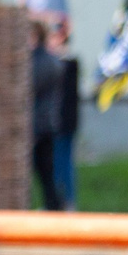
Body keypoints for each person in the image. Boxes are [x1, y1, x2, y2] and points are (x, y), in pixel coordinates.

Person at [28, 18, 67, 212]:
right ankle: (54, 205)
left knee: (42, 172)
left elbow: (30, 90)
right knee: (46, 172)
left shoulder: (38, 62)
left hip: (38, 126)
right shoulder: (49, 60)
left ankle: (54, 206)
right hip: (46, 125)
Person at [48, 20, 81, 208]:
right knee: (54, 165)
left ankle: (68, 202)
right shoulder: (57, 63)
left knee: (64, 164)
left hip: (64, 124)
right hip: (54, 124)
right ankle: (57, 202)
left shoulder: (68, 64)